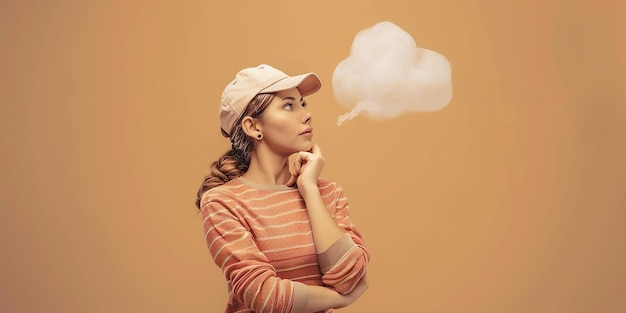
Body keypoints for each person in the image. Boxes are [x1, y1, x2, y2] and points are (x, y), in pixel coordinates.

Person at [195, 64, 370, 313]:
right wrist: (339, 299)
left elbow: (349, 277)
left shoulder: (327, 193)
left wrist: (309, 189)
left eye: (302, 104)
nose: (306, 115)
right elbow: (264, 296)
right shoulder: (223, 202)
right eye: (288, 105)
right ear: (253, 127)